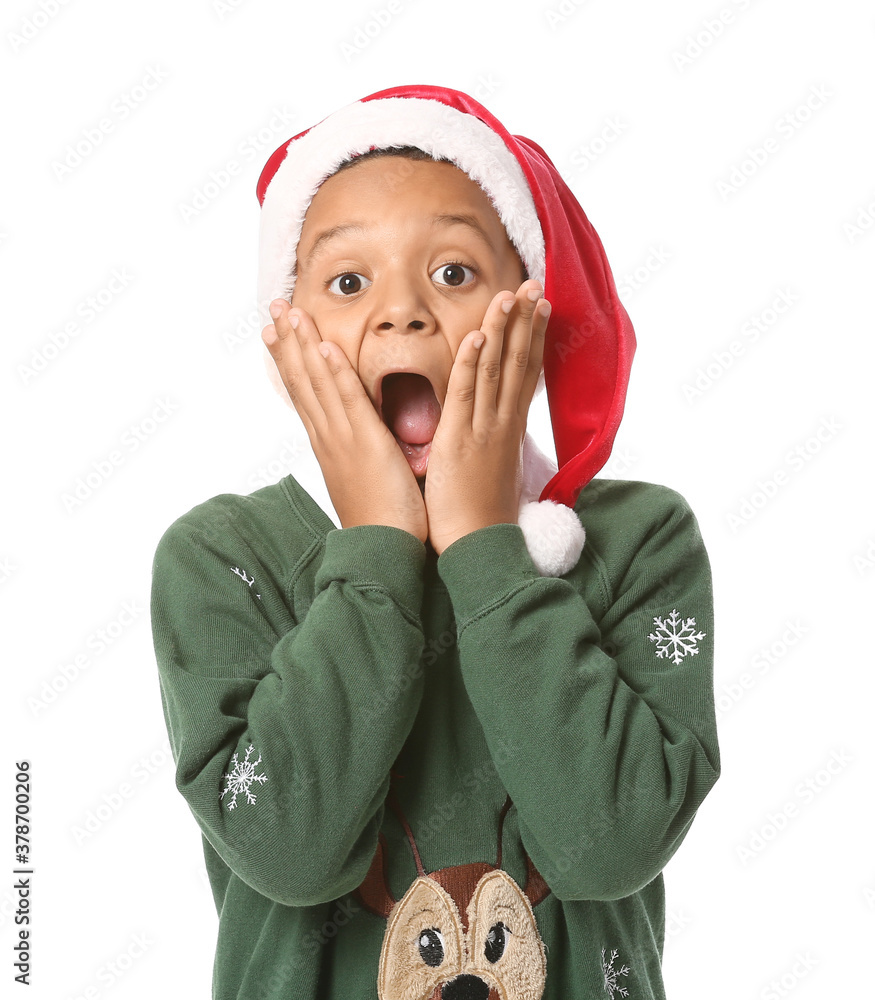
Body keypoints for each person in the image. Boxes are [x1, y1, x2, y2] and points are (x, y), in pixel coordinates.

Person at [150, 84, 720, 1000]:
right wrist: (377, 543)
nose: (402, 314)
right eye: (347, 281)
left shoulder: (639, 542)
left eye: (453, 274)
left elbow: (611, 840)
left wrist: (484, 543)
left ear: (529, 323)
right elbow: (290, 849)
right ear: (282, 334)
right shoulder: (224, 560)